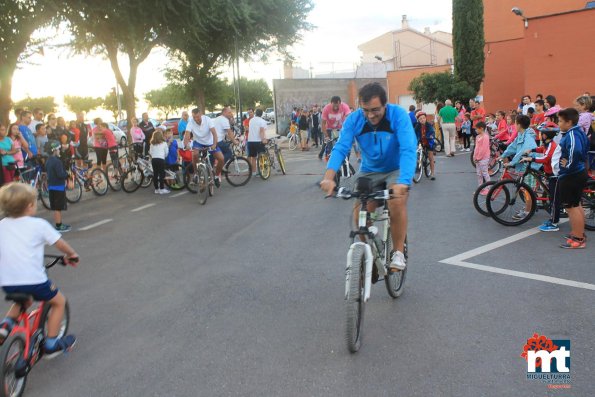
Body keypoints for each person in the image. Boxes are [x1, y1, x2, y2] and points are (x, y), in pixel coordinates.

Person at [320, 83, 417, 272]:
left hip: (395, 169)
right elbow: (341, 148)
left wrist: (403, 182)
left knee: (396, 201)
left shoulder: (398, 116)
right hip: (369, 171)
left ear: (385, 105)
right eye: (366, 110)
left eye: (375, 110)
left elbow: (408, 149)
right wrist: (329, 177)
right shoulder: (354, 120)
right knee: (360, 215)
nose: (370, 115)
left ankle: (397, 252)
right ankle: (372, 255)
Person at [0, 182, 77, 357]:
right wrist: (72, 254)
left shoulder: (2, 225)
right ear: (29, 206)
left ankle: (5, 326)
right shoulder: (38, 225)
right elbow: (59, 243)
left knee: (23, 300)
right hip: (34, 281)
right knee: (58, 302)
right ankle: (50, 344)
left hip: (8, 282)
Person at [557, 108, 589, 249]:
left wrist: (568, 165)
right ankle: (579, 233)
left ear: (569, 122)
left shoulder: (572, 134)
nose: (558, 123)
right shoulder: (579, 131)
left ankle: (578, 239)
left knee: (571, 207)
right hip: (578, 172)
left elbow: (575, 151)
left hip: (572, 175)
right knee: (576, 205)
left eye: (560, 121)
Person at [522, 122, 561, 232]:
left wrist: (532, 159)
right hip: (549, 171)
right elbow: (541, 149)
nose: (540, 135)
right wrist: (531, 150)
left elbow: (545, 159)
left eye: (542, 133)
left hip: (554, 175)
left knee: (554, 199)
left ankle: (554, 223)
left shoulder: (552, 146)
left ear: (546, 135)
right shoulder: (547, 144)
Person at [499, 115, 538, 220]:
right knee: (524, 188)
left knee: (527, 190)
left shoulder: (528, 137)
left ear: (519, 125)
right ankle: (529, 207)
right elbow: (512, 147)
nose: (514, 125)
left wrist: (512, 163)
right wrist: (503, 155)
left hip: (531, 166)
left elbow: (522, 152)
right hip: (523, 165)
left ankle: (527, 211)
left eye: (515, 123)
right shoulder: (521, 135)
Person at [185, 108, 224, 187]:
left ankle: (216, 176)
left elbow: (214, 133)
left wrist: (214, 144)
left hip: (210, 142)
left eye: (197, 117)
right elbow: (187, 135)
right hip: (198, 143)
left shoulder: (208, 119)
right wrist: (186, 144)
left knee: (221, 158)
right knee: (195, 154)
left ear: (201, 114)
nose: (196, 119)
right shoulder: (191, 122)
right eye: (194, 117)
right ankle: (196, 174)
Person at [46, 141, 71, 232]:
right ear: (55, 150)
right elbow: (60, 174)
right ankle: (58, 225)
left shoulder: (48, 160)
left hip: (51, 186)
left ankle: (59, 224)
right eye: (59, 149)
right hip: (58, 187)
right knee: (58, 208)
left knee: (56, 207)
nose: (60, 151)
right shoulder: (57, 161)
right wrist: (67, 175)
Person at [414, 112, 436, 180]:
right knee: (417, 152)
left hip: (429, 142)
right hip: (421, 142)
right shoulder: (417, 126)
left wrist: (430, 136)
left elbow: (432, 131)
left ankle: (432, 173)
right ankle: (418, 166)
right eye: (420, 119)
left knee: (430, 157)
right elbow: (414, 133)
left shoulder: (429, 125)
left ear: (426, 118)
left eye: (423, 118)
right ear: (418, 120)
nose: (422, 120)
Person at [247, 109, 268, 176]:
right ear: (261, 114)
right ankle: (262, 170)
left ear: (255, 113)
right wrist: (263, 139)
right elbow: (261, 131)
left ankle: (254, 172)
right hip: (258, 141)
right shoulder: (262, 121)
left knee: (253, 157)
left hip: (250, 141)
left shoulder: (251, 120)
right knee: (262, 155)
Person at [149, 129, 169, 194]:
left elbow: (151, 152)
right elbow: (166, 152)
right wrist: (164, 156)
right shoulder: (164, 143)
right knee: (161, 174)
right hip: (161, 159)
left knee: (155, 174)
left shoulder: (152, 144)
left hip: (154, 160)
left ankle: (156, 189)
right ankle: (162, 188)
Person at [473, 121, 490, 191]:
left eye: (477, 129)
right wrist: (475, 156)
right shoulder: (477, 137)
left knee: (485, 173)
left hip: (484, 158)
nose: (475, 130)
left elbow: (483, 149)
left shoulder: (485, 137)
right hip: (478, 158)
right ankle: (480, 188)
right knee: (479, 174)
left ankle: (488, 188)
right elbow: (476, 148)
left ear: (481, 128)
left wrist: (478, 158)